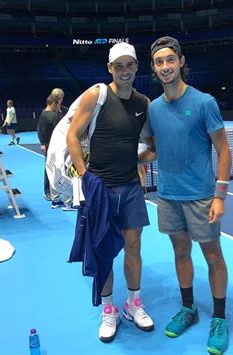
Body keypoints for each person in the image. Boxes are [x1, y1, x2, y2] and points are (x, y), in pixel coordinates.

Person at [144, 36, 232, 354]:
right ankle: (188, 309)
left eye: (170, 60)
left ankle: (219, 318)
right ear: (153, 68)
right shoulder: (153, 109)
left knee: (212, 255)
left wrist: (220, 195)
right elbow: (154, 149)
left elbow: (223, 150)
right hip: (168, 197)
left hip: (201, 197)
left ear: (180, 62)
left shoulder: (204, 102)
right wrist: (133, 159)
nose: (165, 67)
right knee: (180, 253)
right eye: (159, 62)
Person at [66, 42, 154, 343]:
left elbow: (149, 140)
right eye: (119, 66)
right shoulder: (97, 95)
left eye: (129, 65)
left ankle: (133, 304)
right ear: (110, 69)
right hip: (100, 188)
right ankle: (108, 310)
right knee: (102, 250)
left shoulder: (144, 103)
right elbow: (72, 135)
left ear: (136, 67)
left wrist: (143, 157)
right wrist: (84, 174)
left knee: (133, 246)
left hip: (130, 187)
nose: (125, 71)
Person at [38, 94, 61, 201]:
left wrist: (42, 143)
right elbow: (59, 132)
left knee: (49, 167)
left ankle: (50, 191)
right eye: (58, 105)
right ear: (53, 104)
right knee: (53, 168)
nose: (59, 107)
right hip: (54, 145)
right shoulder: (54, 116)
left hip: (48, 145)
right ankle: (50, 191)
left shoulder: (43, 113)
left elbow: (39, 130)